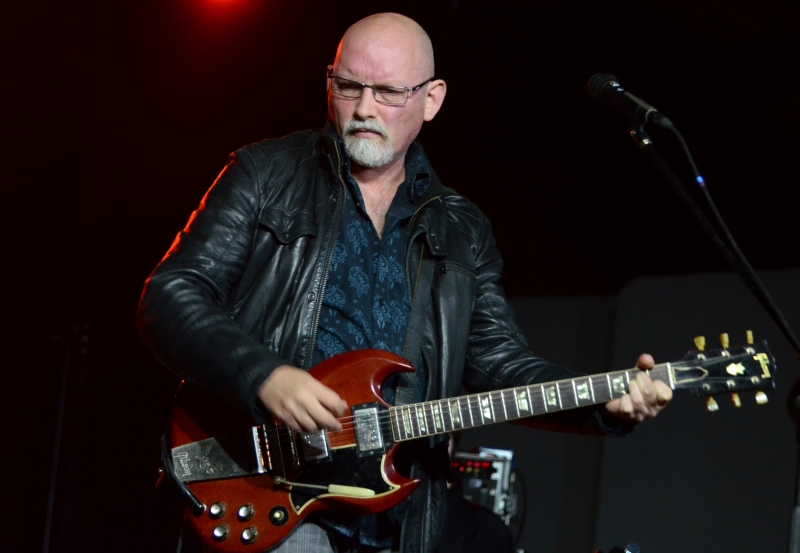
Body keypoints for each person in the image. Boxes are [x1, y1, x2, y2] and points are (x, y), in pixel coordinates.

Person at [137, 12, 672, 553]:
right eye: (349, 86)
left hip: (398, 516)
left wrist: (603, 404)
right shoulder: (265, 173)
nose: (365, 109)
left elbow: (502, 365)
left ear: (432, 99)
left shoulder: (462, 230)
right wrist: (265, 377)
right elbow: (169, 296)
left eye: (389, 92)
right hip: (273, 492)